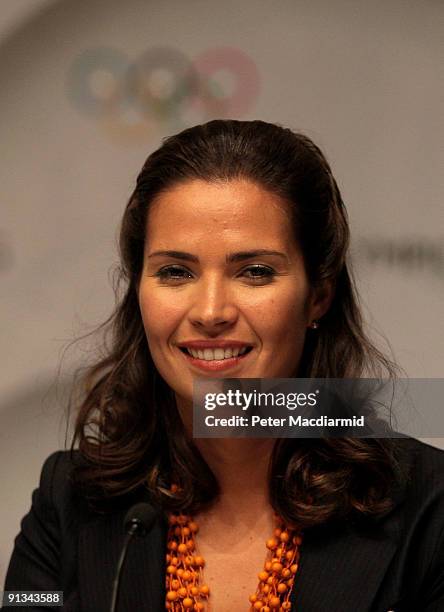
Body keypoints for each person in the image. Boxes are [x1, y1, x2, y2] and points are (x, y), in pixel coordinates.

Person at [5, 120, 444, 611]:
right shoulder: (69, 499)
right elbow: (27, 601)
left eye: (254, 272)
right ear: (139, 292)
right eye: (176, 272)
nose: (211, 311)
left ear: (318, 296)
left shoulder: (429, 505)